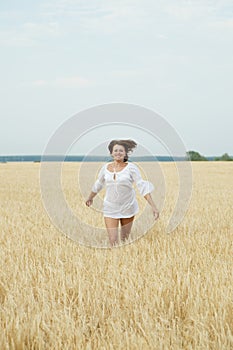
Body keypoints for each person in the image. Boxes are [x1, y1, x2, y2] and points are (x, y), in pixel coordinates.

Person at [85, 139, 159, 247]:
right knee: (113, 240)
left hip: (127, 206)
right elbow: (98, 184)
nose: (118, 153)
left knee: (124, 240)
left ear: (125, 153)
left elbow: (141, 187)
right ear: (111, 153)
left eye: (121, 151)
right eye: (115, 150)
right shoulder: (105, 168)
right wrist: (90, 197)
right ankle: (113, 261)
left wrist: (153, 207)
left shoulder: (131, 168)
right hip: (110, 207)